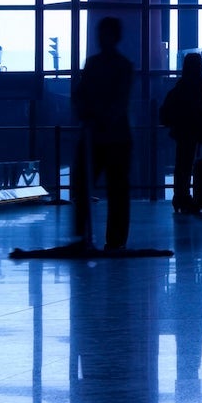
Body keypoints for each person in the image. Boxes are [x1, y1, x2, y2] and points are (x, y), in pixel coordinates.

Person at [71, 16, 133, 250]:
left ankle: (100, 239)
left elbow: (115, 101)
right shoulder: (113, 65)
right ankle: (105, 239)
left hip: (104, 135)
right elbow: (85, 95)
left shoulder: (105, 65)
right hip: (108, 135)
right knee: (95, 186)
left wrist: (90, 115)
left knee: (102, 187)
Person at [160, 52, 202, 213]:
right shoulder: (196, 84)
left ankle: (180, 196)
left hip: (182, 129)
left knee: (182, 164)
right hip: (190, 129)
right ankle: (183, 196)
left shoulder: (183, 84)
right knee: (185, 164)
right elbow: (198, 107)